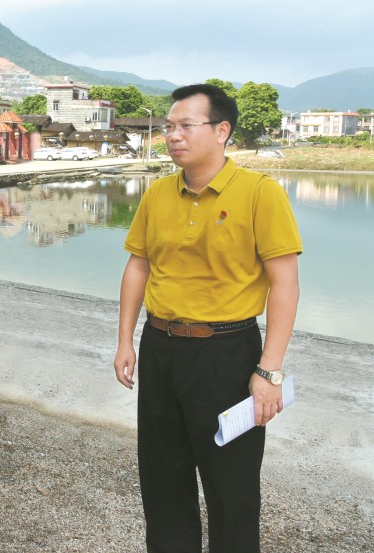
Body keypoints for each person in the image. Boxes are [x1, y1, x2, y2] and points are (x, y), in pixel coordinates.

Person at [114, 83, 302, 553]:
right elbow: (138, 265)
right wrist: (126, 341)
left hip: (227, 355)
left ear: (222, 131)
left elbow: (285, 283)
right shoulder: (158, 193)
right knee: (163, 479)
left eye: (185, 126)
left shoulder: (260, 193)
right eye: (170, 126)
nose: (172, 135)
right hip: (161, 348)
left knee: (231, 488)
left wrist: (269, 370)